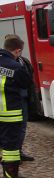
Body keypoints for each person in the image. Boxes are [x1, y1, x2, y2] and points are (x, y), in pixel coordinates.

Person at [0, 35, 31, 178]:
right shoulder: (15, 66)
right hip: (10, 112)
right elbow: (25, 83)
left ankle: (7, 175)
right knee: (11, 147)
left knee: (2, 145)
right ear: (17, 50)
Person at [3, 34, 34, 162]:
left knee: (21, 128)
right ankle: (11, 166)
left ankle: (18, 152)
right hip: (11, 104)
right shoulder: (12, 64)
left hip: (21, 99)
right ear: (17, 49)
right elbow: (25, 81)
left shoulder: (22, 61)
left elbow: (29, 79)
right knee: (11, 136)